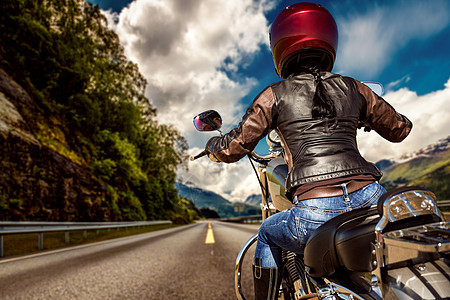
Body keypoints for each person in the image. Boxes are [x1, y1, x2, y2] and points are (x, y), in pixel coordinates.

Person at [204, 3, 412, 299]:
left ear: (281, 45)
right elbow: (400, 129)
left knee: (266, 232)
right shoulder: (355, 88)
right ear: (328, 38)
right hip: (371, 198)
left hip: (315, 210)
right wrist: (364, 118)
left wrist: (213, 146)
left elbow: (234, 146)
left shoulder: (274, 94)